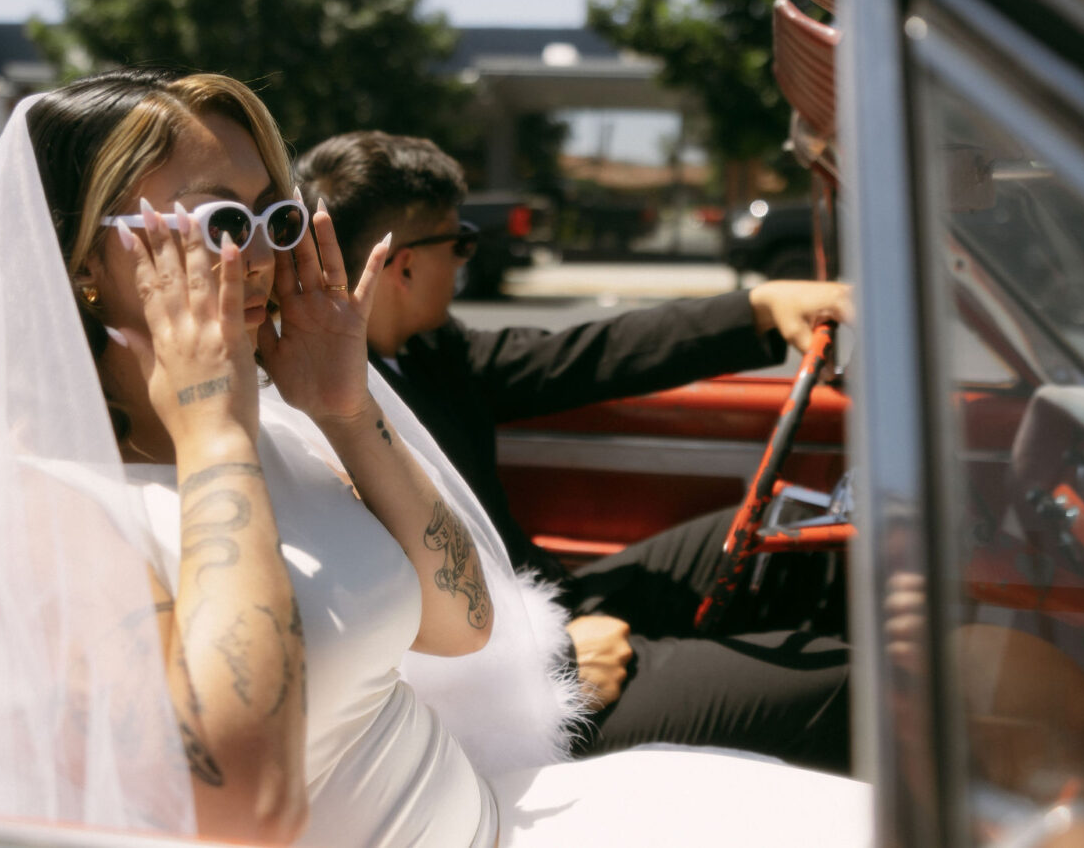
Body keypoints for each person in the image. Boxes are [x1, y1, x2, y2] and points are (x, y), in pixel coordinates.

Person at [0, 70, 868, 847]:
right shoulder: (25, 504)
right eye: (216, 224)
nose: (261, 255)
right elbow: (247, 807)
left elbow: (463, 623)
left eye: (273, 216)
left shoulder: (281, 423)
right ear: (80, 265)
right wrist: (213, 440)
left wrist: (346, 413)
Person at [295, 131, 854, 766]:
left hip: (541, 604)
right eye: (460, 243)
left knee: (804, 540)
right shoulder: (325, 414)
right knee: (842, 685)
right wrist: (559, 654)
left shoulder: (429, 354)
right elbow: (381, 629)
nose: (465, 262)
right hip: (504, 688)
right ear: (405, 265)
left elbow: (587, 354)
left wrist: (759, 307)